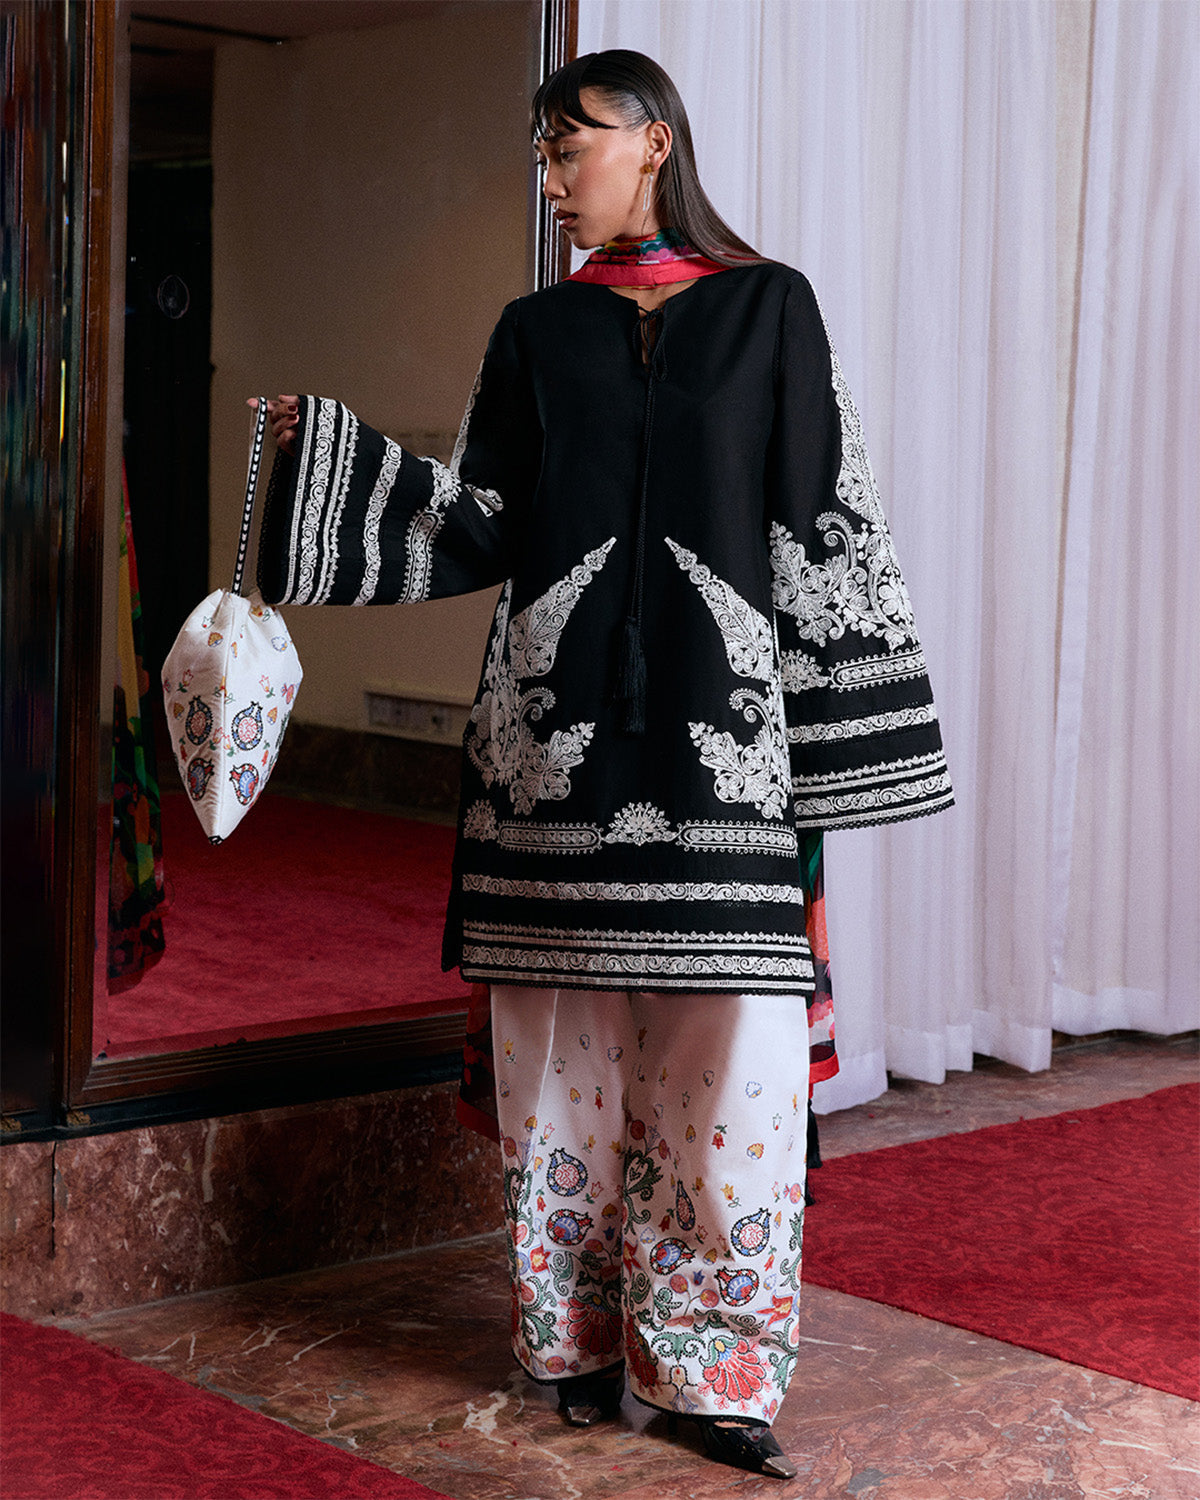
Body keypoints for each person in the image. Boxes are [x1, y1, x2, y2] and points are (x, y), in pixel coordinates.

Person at [254, 49, 951, 1481]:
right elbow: (483, 521)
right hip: (546, 756)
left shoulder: (770, 307)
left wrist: (835, 755)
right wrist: (323, 464)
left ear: (655, 142)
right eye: (542, 155)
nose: (552, 179)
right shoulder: (536, 331)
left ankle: (715, 1376)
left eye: (570, 147)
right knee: (554, 1064)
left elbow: (824, 521)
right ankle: (565, 1344)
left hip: (719, 757)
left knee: (734, 1073)